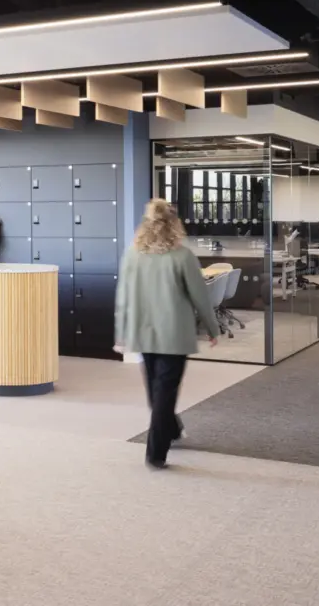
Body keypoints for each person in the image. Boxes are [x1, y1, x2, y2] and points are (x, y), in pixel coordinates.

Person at [114, 198, 219, 470]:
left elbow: (123, 298)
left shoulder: (132, 255)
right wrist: (212, 328)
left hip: (143, 332)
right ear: (174, 225)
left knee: (156, 390)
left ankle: (170, 430)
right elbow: (201, 297)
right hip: (174, 335)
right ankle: (155, 453)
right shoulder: (183, 256)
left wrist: (121, 332)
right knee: (164, 393)